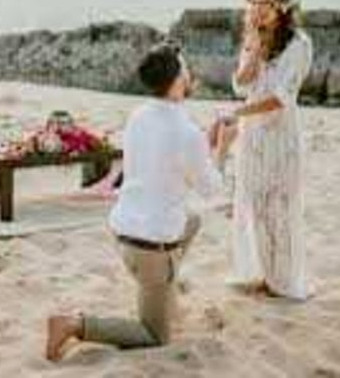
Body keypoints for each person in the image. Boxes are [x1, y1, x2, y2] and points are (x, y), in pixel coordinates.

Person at [45, 43, 236, 361]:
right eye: (185, 68)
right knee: (154, 335)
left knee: (192, 221)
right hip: (149, 249)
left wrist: (207, 142)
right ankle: (74, 325)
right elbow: (211, 189)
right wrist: (223, 149)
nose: (190, 73)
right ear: (177, 80)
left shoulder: (139, 116)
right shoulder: (185, 132)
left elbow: (165, 159)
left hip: (124, 234)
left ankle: (165, 289)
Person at [226, 0, 313, 300]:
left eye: (264, 2)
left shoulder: (300, 44)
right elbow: (241, 84)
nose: (258, 9)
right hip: (253, 136)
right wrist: (254, 46)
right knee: (255, 204)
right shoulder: (255, 36)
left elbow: (280, 98)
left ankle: (284, 279)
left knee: (281, 206)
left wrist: (238, 113)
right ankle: (264, 273)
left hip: (279, 134)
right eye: (253, 2)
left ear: (282, 5)